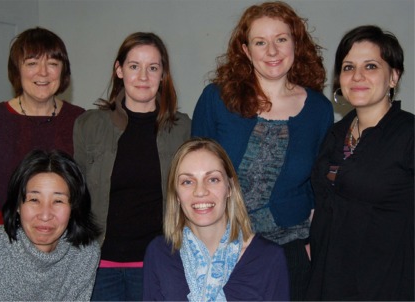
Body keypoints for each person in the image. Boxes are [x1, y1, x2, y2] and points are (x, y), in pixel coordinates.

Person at [191, 2, 333, 300]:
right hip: (221, 250)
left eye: (281, 39)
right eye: (260, 42)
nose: (272, 51)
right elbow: (191, 178)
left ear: (296, 43)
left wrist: (310, 248)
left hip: (290, 253)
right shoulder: (216, 99)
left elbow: (320, 188)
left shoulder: (319, 110)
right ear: (245, 50)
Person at [73, 32, 191, 301]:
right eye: (134, 66)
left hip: (157, 263)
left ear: (163, 74)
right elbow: (75, 194)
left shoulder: (182, 128)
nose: (143, 76)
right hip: (99, 265)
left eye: (153, 68)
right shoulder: (89, 125)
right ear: (119, 70)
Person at [306, 25, 414, 301]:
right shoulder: (335, 133)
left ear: (394, 76)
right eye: (348, 67)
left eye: (371, 66)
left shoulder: (408, 134)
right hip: (327, 282)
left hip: (385, 286)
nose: (357, 76)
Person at [143, 137, 290, 301]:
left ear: (229, 187)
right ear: (176, 194)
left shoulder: (268, 258)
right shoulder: (159, 253)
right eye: (187, 181)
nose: (200, 191)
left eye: (213, 179)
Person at [0, 27, 85, 233]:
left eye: (52, 63)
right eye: (32, 63)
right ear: (17, 69)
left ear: (63, 71)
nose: (43, 72)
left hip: (65, 248)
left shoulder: (82, 121)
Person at [0, 149, 101, 301]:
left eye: (58, 201)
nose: (45, 215)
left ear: (74, 207)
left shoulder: (84, 254)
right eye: (34, 200)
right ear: (17, 205)